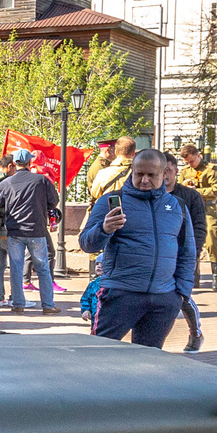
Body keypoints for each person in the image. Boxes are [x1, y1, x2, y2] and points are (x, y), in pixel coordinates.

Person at [78, 147, 194, 347]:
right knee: (98, 355)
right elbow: (87, 243)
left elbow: (187, 251)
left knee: (148, 363)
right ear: (133, 170)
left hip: (163, 298)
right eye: (139, 174)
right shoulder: (111, 201)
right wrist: (104, 229)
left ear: (164, 173)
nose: (145, 180)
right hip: (120, 294)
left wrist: (180, 293)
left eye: (152, 175)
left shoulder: (177, 206)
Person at [0, 147, 63, 314]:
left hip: (15, 231)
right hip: (37, 230)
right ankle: (48, 305)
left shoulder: (5, 183)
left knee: (16, 268)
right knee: (43, 268)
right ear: (30, 162)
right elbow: (54, 200)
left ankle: (18, 304)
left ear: (14, 163)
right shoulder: (41, 180)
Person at [162, 166, 210, 352]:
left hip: (180, 255)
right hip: (159, 256)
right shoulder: (149, 196)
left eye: (169, 170)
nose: (165, 175)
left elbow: (198, 226)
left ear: (176, 172)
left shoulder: (188, 197)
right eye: (161, 171)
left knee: (182, 296)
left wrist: (193, 253)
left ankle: (195, 333)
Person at [175, 143, 217, 292]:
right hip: (190, 209)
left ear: (198, 155)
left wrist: (197, 191)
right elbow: (178, 188)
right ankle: (194, 276)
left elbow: (216, 190)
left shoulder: (211, 170)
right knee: (190, 241)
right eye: (187, 162)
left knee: (210, 240)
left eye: (191, 161)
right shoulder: (185, 171)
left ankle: (216, 276)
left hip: (207, 208)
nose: (190, 164)